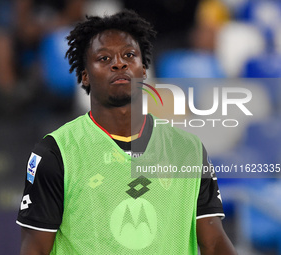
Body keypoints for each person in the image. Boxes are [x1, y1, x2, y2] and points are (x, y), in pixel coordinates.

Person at [16, 10, 237, 255]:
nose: (119, 63)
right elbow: (35, 249)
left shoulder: (189, 150)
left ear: (143, 70)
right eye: (104, 58)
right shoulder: (56, 153)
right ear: (84, 76)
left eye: (129, 55)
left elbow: (215, 242)